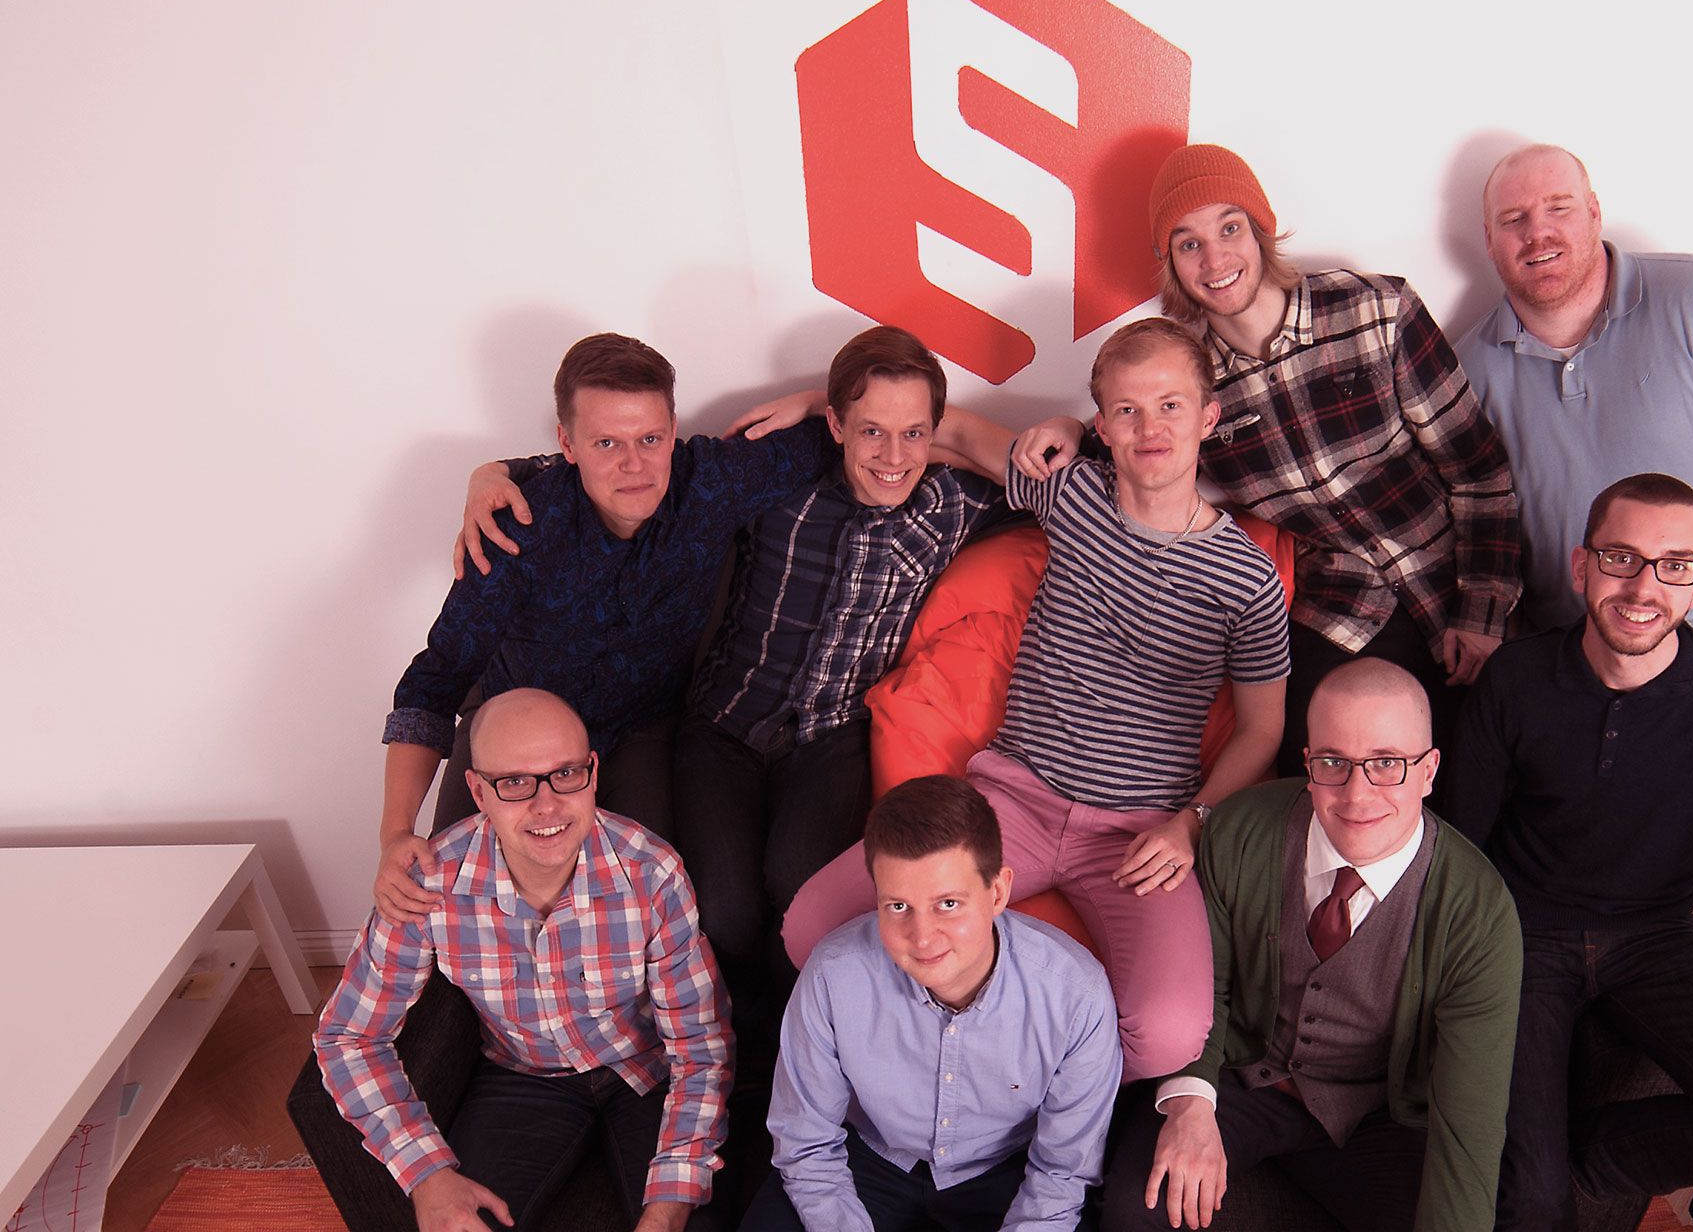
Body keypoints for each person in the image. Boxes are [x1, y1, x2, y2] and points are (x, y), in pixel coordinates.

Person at [782, 317, 1292, 1082]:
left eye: (1170, 406)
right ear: (1102, 427)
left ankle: (1008, 1081)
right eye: (1127, 410)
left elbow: (1261, 729)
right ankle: (948, 1067)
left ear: (1208, 416)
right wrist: (812, 405)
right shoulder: (1072, 493)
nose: (1150, 428)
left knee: (1169, 1036)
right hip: (1010, 801)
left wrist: (1193, 824)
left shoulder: (1246, 579)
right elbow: (948, 430)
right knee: (810, 927)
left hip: (1137, 832)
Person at [1017, 144, 1523, 767]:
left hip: (1454, 581)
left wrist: (1483, 613)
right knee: (1307, 769)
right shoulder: (1193, 387)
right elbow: (1135, 443)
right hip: (1345, 608)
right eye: (1188, 243)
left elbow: (1478, 472)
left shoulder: (1377, 310)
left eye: (1230, 229)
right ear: (1170, 264)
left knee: (1480, 770)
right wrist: (1071, 425)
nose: (1214, 260)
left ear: (1260, 231)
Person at [1454, 143, 1693, 961]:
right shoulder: (1470, 367)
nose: (1538, 233)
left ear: (1595, 213)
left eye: (1558, 209)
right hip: (1565, 674)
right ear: (1488, 241)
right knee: (1561, 907)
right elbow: (1471, 521)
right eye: (1513, 220)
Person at [1446, 476, 1693, 1232]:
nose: (1643, 587)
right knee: (1530, 1205)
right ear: (1581, 566)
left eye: (1674, 565)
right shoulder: (1515, 677)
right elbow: (1457, 851)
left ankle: (1567, 1158)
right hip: (1522, 934)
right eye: (1621, 557)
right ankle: (1535, 1168)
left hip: (1658, 936)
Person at [375, 333, 835, 927]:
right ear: (566, 443)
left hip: (639, 730)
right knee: (445, 902)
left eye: (650, 439)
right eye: (606, 443)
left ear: (673, 430)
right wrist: (395, 833)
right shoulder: (519, 528)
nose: (633, 465)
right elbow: (434, 682)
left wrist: (815, 399)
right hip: (515, 724)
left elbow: (874, 427)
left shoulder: (711, 483)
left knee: (648, 906)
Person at [669, 326, 1012, 1058]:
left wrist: (933, 431)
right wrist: (501, 472)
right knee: (724, 911)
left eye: (913, 433)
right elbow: (644, 469)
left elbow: (1056, 469)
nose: (893, 457)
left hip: (832, 737)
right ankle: (736, 1046)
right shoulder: (780, 477)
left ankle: (793, 1050)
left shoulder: (953, 501)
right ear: (835, 425)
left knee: (802, 902)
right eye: (871, 431)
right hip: (726, 723)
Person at [1106, 659, 1521, 1232]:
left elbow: (1469, 1116)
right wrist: (1190, 1103)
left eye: (1387, 763)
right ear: (1308, 764)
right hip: (1240, 1079)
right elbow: (1207, 987)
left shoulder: (1479, 912)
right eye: (1334, 762)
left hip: (1375, 1113)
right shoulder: (1239, 830)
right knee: (1137, 1211)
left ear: (1428, 771)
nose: (1357, 794)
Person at [310, 688, 731, 1232]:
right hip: (523, 1076)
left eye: (565, 774)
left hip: (646, 1074)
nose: (546, 805)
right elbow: (348, 1036)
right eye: (514, 782)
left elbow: (701, 1047)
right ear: (478, 792)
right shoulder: (428, 883)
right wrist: (426, 1173)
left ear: (593, 774)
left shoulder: (653, 874)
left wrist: (668, 1211)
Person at [745, 775, 1124, 1232]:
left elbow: (1061, 1174)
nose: (922, 938)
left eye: (947, 904)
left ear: (998, 892)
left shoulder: (1077, 995)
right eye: (898, 907)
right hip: (867, 1157)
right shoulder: (832, 974)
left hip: (1006, 1171)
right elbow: (806, 1144)